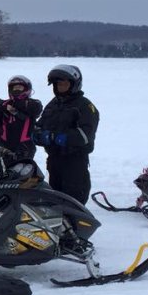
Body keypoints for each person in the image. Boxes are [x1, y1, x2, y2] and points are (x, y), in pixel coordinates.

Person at [33, 64, 99, 204]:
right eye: (58, 84)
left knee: (73, 203)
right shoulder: (53, 104)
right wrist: (37, 135)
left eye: (64, 83)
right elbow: (39, 125)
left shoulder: (85, 106)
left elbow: (85, 136)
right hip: (54, 160)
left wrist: (57, 137)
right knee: (54, 201)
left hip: (74, 162)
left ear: (74, 84)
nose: (61, 87)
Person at [0, 75, 43, 164]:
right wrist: (0, 109)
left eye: (20, 88)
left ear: (26, 89)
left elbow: (36, 109)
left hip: (24, 147)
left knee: (22, 173)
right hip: (5, 146)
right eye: (14, 88)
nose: (17, 90)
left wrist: (14, 107)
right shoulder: (5, 105)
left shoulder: (33, 104)